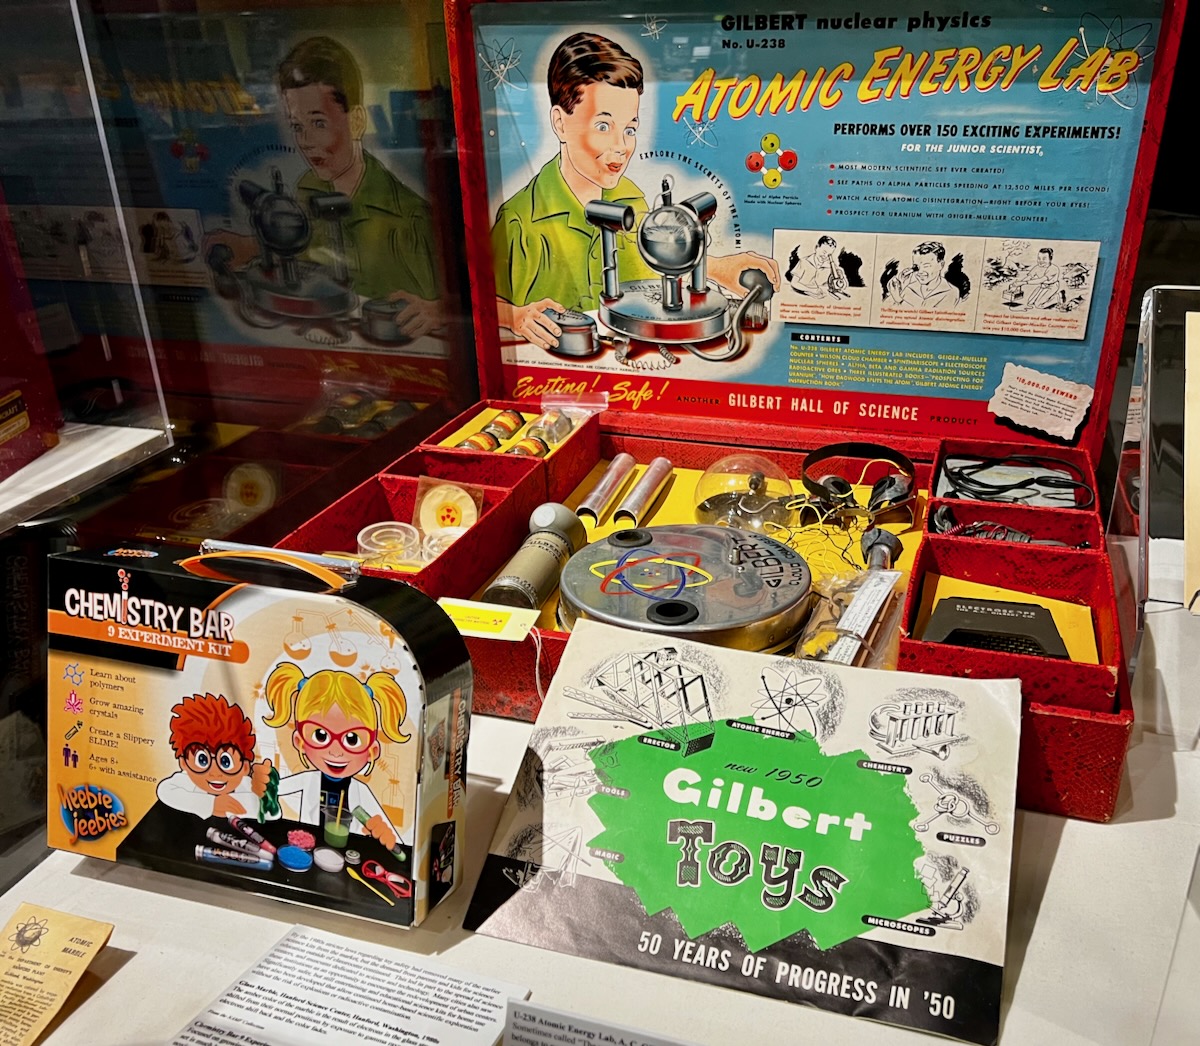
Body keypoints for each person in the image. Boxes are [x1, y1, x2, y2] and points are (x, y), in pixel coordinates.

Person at [492, 32, 778, 350]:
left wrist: (718, 267)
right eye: (603, 126)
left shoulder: (630, 197)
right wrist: (514, 316)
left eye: (630, 129)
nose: (621, 146)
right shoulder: (519, 219)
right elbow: (476, 300)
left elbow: (651, 267)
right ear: (560, 123)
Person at [213, 36, 441, 338]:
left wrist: (440, 310)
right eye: (297, 127)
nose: (306, 141)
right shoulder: (309, 187)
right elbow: (303, 251)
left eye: (318, 123)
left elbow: (452, 304)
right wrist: (251, 246)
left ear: (356, 121)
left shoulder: (411, 220)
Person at [263, 662, 409, 850]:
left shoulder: (361, 791)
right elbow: (271, 791)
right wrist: (263, 782)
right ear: (300, 741)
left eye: (352, 739)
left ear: (372, 750)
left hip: (345, 855)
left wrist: (385, 835)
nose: (336, 751)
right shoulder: (307, 780)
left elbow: (394, 839)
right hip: (308, 850)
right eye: (321, 736)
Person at [157, 693, 273, 819]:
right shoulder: (185, 781)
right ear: (184, 763)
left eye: (225, 762)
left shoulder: (246, 785)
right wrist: (211, 804)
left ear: (245, 767)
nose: (215, 773)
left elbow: (271, 814)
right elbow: (164, 790)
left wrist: (265, 791)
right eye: (202, 760)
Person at [886, 241, 961, 310]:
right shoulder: (908, 288)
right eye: (916, 267)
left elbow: (930, 317)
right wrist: (902, 288)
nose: (920, 272)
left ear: (941, 265)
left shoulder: (951, 292)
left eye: (926, 266)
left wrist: (899, 300)